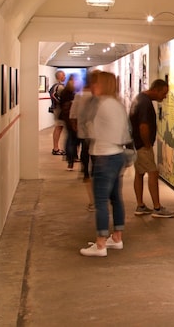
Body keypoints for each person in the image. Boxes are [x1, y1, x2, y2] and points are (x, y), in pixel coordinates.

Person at [79, 72, 129, 257]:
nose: (93, 86)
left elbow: (86, 129)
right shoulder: (118, 104)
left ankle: (100, 244)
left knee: (100, 201)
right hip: (117, 155)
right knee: (116, 198)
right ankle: (117, 237)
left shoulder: (100, 105)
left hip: (103, 156)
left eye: (96, 83)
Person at [129, 79, 174, 218]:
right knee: (153, 173)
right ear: (156, 90)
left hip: (135, 144)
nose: (164, 97)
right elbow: (143, 126)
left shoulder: (139, 98)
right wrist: (147, 144)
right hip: (142, 145)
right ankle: (157, 208)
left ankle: (140, 205)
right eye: (164, 93)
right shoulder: (145, 104)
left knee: (139, 173)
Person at [70, 70, 99, 211]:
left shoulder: (79, 96)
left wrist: (78, 129)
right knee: (97, 167)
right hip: (98, 139)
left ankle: (93, 201)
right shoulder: (99, 98)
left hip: (85, 136)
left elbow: (73, 116)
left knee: (87, 167)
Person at [59, 76, 78, 170]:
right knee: (71, 139)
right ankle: (71, 158)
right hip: (70, 119)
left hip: (67, 118)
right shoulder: (71, 94)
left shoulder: (64, 92)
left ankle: (70, 158)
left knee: (70, 138)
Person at [49, 70, 66, 155]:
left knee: (59, 127)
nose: (65, 77)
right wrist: (62, 103)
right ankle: (55, 148)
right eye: (63, 75)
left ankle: (56, 148)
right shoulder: (58, 86)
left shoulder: (56, 86)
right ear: (59, 76)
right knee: (58, 127)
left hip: (58, 109)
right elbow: (54, 96)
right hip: (59, 110)